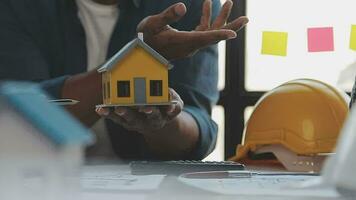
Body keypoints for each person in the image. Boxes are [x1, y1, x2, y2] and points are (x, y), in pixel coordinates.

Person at [0, 0, 248, 160]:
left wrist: (162, 121)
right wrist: (139, 56)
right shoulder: (19, 6)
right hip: (41, 180)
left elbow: (198, 129)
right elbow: (20, 121)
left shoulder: (189, 4)